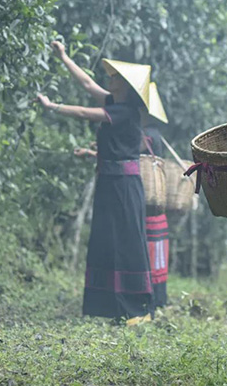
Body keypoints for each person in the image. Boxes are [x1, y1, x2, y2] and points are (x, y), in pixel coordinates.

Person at [36, 40, 155, 322]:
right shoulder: (115, 102)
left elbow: (82, 112)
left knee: (127, 242)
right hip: (110, 183)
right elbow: (88, 85)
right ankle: (111, 305)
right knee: (108, 240)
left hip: (125, 187)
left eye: (115, 77)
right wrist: (64, 57)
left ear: (126, 85)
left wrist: (51, 106)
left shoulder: (125, 112)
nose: (109, 79)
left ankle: (138, 308)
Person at [141, 82, 171, 309]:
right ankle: (160, 299)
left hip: (148, 204)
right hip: (157, 208)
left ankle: (152, 299)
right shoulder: (154, 133)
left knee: (150, 252)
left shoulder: (147, 135)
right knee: (157, 253)